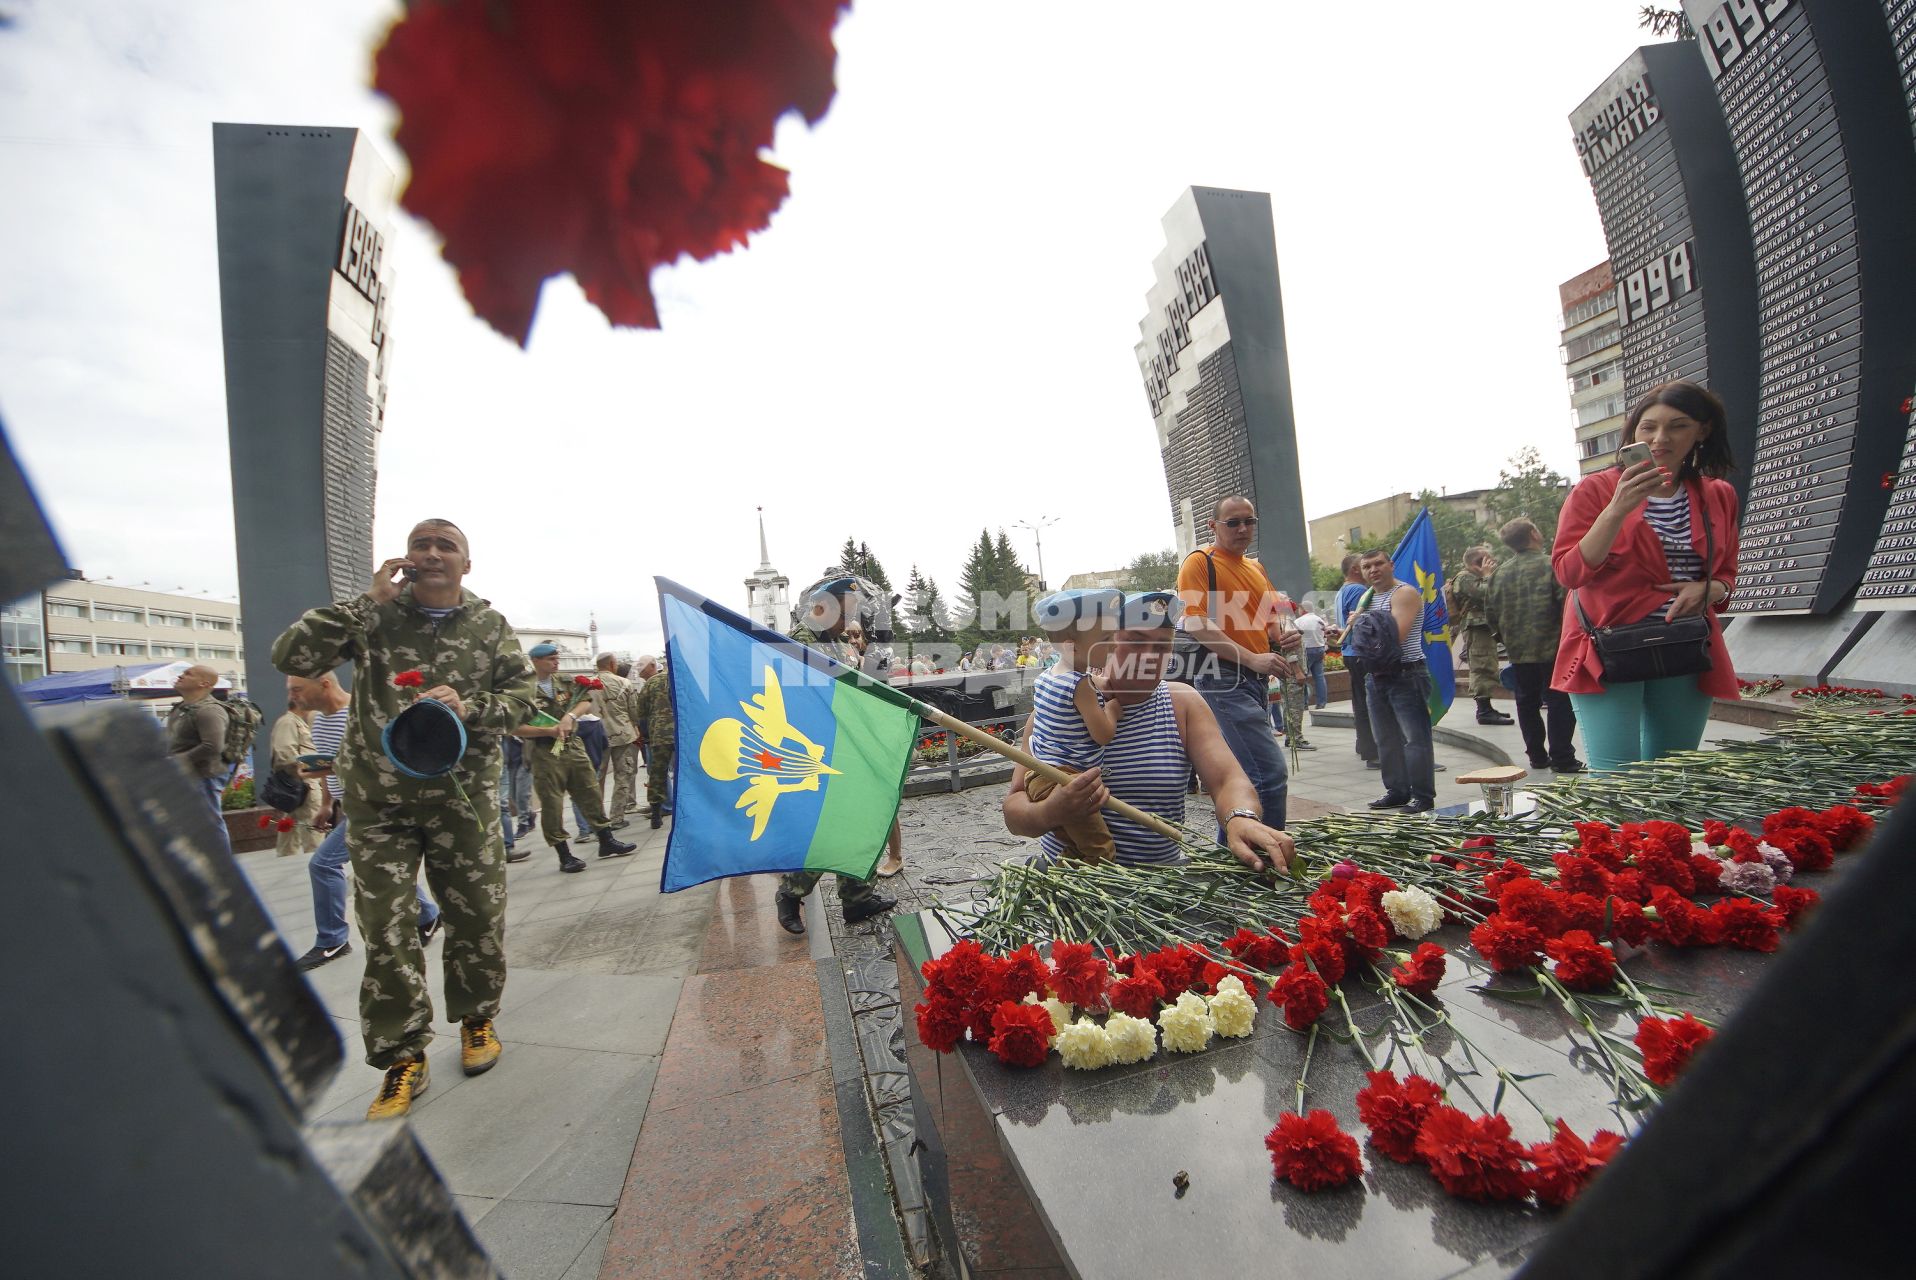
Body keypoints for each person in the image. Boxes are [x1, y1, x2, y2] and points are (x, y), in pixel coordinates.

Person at [272, 518, 531, 1117]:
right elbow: (292, 654)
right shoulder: (374, 618)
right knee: (385, 927)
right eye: (422, 544)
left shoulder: (490, 626)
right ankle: (401, 1054)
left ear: (467, 564)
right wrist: (366, 600)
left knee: (478, 915)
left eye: (447, 546)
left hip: (460, 799)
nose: (433, 553)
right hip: (379, 802)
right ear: (405, 558)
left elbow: (524, 700)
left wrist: (472, 706)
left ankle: (477, 1020)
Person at [1004, 592, 1296, 874]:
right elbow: (1015, 811)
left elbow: (1227, 780)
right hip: (1074, 890)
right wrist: (1052, 812)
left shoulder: (1183, 704)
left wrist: (1240, 817)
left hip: (1158, 891)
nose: (1149, 657)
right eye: (1134, 641)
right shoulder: (1058, 709)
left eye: (1162, 646)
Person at [1552, 380, 1741, 771]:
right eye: (1648, 427)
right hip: (1606, 648)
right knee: (1618, 780)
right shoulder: (1596, 490)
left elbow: (1726, 571)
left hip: (1684, 644)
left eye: (1678, 426)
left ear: (1702, 431)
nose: (1660, 438)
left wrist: (1712, 589)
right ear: (1633, 430)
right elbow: (1569, 572)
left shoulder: (1718, 494)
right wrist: (1617, 509)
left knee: (1674, 774)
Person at [286, 670, 443, 971]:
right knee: (371, 863)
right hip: (349, 805)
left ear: (325, 684)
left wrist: (330, 769)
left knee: (323, 864)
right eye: (291, 690)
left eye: (297, 689)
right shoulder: (319, 721)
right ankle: (427, 914)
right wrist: (327, 804)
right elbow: (329, 763)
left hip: (373, 805)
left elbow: (381, 763)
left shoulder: (358, 715)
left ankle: (332, 940)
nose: (292, 696)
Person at [775, 576, 898, 933]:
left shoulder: (839, 642)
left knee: (858, 820)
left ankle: (857, 898)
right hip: (818, 747)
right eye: (845, 614)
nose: (849, 623)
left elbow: (860, 687)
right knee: (828, 825)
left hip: (848, 743)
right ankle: (791, 891)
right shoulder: (799, 643)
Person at [1174, 495, 1301, 828]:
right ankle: (1268, 862)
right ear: (1213, 525)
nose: (1243, 528)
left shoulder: (1255, 567)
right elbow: (1196, 623)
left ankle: (1236, 861)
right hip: (1223, 681)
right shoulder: (1200, 562)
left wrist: (1286, 635)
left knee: (1243, 780)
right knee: (1269, 777)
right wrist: (1253, 659)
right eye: (1233, 522)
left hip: (1253, 682)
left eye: (1249, 521)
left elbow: (1274, 616)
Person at [1024, 589, 1127, 862]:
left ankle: (1057, 878)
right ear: (1072, 646)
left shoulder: (1049, 677)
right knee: (1101, 850)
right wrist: (1114, 710)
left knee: (1075, 846)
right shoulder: (1080, 685)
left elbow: (1072, 702)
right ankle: (1097, 896)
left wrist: (1097, 687)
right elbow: (1103, 734)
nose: (1115, 644)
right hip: (1064, 780)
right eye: (1106, 639)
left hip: (1039, 777)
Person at [518, 643, 637, 871]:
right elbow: (514, 727)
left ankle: (606, 840)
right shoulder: (522, 689)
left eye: (556, 657)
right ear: (535, 661)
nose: (556, 662)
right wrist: (548, 731)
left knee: (590, 791)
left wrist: (570, 716)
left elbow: (585, 700)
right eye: (550, 659)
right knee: (552, 803)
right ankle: (564, 855)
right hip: (544, 751)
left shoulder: (563, 681)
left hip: (573, 745)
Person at [1484, 518, 1583, 774]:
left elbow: (1490, 613)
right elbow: (1568, 604)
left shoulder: (1499, 574)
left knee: (1526, 703)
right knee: (1560, 701)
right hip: (1555, 648)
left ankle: (1537, 756)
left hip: (1518, 651)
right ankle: (1562, 756)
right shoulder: (1552, 565)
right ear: (1533, 534)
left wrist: (1505, 639)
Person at [1356, 546, 1437, 814]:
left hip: (1406, 673)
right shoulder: (1368, 599)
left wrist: (1361, 625)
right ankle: (1397, 791)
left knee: (1415, 739)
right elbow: (1369, 638)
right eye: (1367, 567)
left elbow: (1392, 638)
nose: (1373, 570)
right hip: (1376, 676)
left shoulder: (1404, 593)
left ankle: (1423, 796)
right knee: (1385, 739)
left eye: (1378, 563)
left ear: (1391, 565)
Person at [166, 664, 231, 855]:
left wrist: (177, 760)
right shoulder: (181, 708)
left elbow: (213, 746)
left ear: (204, 683)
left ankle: (224, 867)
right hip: (186, 776)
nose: (181, 676)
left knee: (211, 823)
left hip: (204, 776)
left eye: (188, 674)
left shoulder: (209, 710)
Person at [1451, 546, 1514, 726]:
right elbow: (1485, 593)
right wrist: (1488, 574)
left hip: (1485, 626)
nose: (1491, 562)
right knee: (1481, 665)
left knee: (1488, 664)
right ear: (1474, 563)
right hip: (1476, 628)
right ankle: (1484, 710)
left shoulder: (1475, 577)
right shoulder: (1464, 577)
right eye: (1486, 559)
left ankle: (1488, 707)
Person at [1332, 554, 1378, 769]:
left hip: (1350, 651)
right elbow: (1361, 623)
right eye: (1365, 566)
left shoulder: (1343, 591)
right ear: (1355, 570)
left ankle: (1364, 744)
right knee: (1369, 701)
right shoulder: (1359, 591)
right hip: (1359, 651)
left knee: (1360, 700)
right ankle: (1372, 750)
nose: (1370, 570)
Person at [268, 700, 325, 857]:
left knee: (290, 831)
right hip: (303, 784)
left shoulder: (296, 722)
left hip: (299, 785)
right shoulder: (289, 722)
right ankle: (318, 865)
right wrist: (313, 766)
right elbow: (285, 754)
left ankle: (287, 860)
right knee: (313, 831)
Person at [594, 652, 644, 821]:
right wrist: (636, 727)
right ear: (612, 664)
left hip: (597, 736)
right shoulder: (624, 683)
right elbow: (634, 711)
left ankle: (598, 818)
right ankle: (617, 816)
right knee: (623, 774)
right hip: (623, 734)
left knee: (596, 777)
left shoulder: (588, 684)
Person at [634, 655, 676, 830]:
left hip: (659, 736)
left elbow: (640, 712)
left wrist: (645, 735)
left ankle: (656, 815)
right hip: (683, 734)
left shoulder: (650, 684)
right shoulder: (678, 678)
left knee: (658, 774)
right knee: (688, 771)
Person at [498, 732, 534, 861]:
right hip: (504, 764)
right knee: (512, 797)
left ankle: (509, 846)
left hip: (519, 763)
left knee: (507, 802)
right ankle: (529, 815)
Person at [1293, 601, 1330, 711]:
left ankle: (1304, 703)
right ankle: (1321, 703)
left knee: (1303, 677)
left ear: (1303, 609)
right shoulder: (1319, 619)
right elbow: (1325, 634)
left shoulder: (1298, 621)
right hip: (1319, 648)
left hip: (1306, 650)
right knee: (1319, 676)